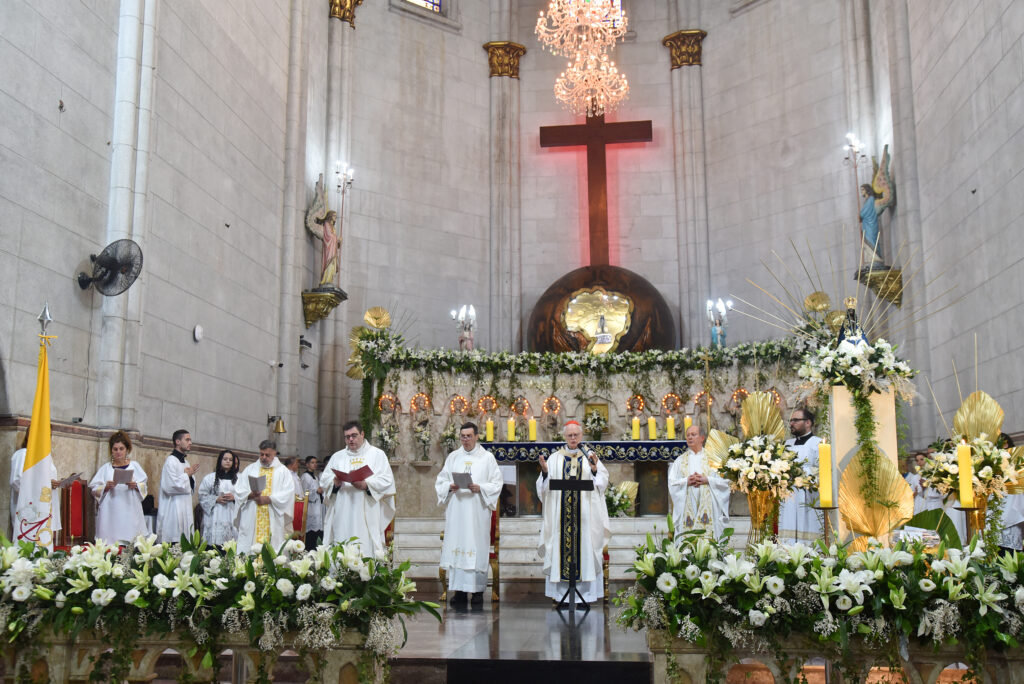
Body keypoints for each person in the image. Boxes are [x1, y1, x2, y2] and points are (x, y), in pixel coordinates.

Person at [537, 420, 610, 604]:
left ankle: (585, 595)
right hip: (561, 518)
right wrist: (545, 473)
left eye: (576, 435)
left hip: (585, 518)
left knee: (585, 549)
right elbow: (543, 488)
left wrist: (594, 471)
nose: (573, 438)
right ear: (564, 436)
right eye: (569, 435)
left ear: (581, 436)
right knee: (561, 550)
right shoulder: (554, 458)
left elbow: (603, 482)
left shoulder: (591, 457)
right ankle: (561, 595)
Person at [435, 422, 504, 608]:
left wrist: (480, 487)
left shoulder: (487, 458)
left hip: (477, 512)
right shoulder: (453, 457)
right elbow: (441, 480)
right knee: (458, 547)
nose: (465, 440)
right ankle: (459, 591)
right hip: (457, 510)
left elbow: (497, 483)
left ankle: (477, 592)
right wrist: (449, 486)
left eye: (469, 436)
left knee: (475, 549)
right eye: (463, 436)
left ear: (476, 436)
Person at [320, 421, 396, 557]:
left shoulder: (377, 455)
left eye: (354, 435)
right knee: (342, 541)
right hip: (342, 509)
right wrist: (334, 483)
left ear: (362, 434)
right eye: (347, 436)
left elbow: (386, 480)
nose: (350, 439)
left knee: (364, 543)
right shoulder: (337, 457)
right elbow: (325, 480)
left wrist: (366, 485)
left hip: (366, 509)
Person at [668, 424, 730, 538]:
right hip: (687, 503)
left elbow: (725, 483)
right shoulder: (680, 461)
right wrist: (686, 481)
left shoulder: (713, 459)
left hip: (709, 506)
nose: (690, 437)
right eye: (688, 435)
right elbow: (672, 483)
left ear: (702, 438)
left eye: (693, 434)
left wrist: (707, 480)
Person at [233, 440, 295, 554]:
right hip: (252, 514)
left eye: (267, 455)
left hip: (273, 514)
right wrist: (251, 494)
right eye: (261, 454)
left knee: (273, 548)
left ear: (275, 453)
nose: (263, 457)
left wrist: (268, 499)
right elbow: (239, 490)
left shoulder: (283, 471)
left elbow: (288, 494)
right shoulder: (250, 469)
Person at [89, 430, 148, 545]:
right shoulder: (106, 468)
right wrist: (106, 487)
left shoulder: (134, 466)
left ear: (127, 449)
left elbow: (144, 486)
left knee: (130, 542)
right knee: (110, 543)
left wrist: (135, 485)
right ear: (111, 450)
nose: (118, 452)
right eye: (115, 449)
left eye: (121, 448)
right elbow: (94, 489)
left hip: (130, 510)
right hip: (110, 512)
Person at [777, 408, 824, 543]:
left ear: (808, 422)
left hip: (809, 496)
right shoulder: (787, 444)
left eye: (796, 420)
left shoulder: (818, 443)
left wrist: (801, 473)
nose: (791, 423)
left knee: (809, 528)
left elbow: (822, 470)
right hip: (789, 496)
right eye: (791, 420)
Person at [156, 429, 200, 543]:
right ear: (178, 442)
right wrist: (187, 475)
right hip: (173, 509)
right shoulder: (171, 461)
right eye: (187, 439)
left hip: (185, 507)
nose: (190, 442)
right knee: (174, 541)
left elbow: (190, 488)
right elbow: (170, 486)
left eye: (190, 440)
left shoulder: (186, 463)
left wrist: (189, 477)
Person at [197, 450, 239, 547]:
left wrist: (234, 497)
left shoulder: (239, 479)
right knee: (215, 546)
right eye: (225, 459)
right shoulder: (210, 478)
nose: (228, 461)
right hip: (215, 514)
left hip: (232, 513)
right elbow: (202, 495)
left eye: (230, 460)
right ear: (220, 460)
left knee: (231, 544)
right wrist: (216, 499)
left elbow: (245, 496)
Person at [301, 456, 324, 549]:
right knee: (310, 531)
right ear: (307, 464)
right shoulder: (305, 476)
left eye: (316, 462)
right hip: (309, 506)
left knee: (317, 530)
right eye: (312, 462)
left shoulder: (315, 476)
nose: (315, 464)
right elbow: (304, 492)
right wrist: (316, 491)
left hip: (317, 506)